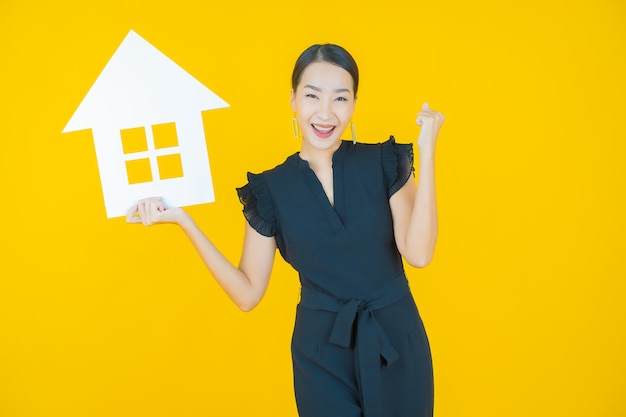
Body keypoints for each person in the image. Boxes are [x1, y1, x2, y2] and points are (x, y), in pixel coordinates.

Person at [127, 43, 444, 417]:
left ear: (354, 103)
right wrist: (184, 220)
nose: (325, 113)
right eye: (312, 96)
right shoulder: (270, 191)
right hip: (322, 353)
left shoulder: (384, 162)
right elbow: (247, 294)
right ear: (293, 99)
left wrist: (427, 152)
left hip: (396, 339)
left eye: (340, 98)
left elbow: (419, 254)